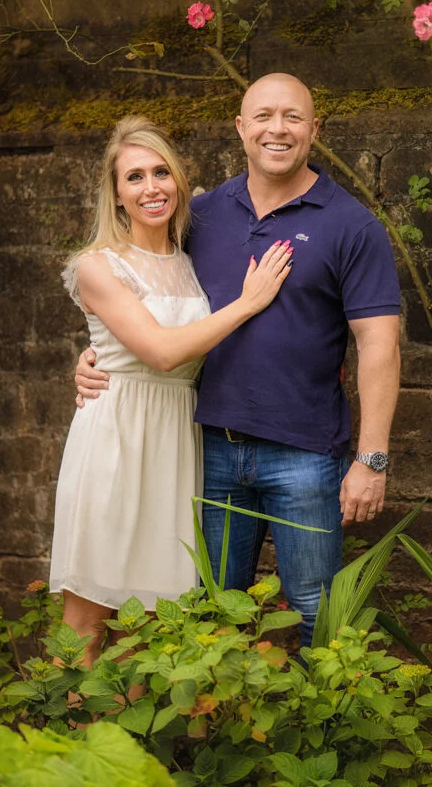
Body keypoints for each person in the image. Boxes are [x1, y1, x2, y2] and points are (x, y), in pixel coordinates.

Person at [75, 75, 401, 647]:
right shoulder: (197, 217)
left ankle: (320, 737)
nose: (278, 129)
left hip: (303, 454)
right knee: (210, 621)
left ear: (314, 130)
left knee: (314, 616)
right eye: (264, 116)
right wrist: (97, 359)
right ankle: (216, 738)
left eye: (293, 118)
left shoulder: (353, 225)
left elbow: (379, 343)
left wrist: (371, 460)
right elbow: (146, 300)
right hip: (210, 452)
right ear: (241, 127)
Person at [51, 115, 292, 665]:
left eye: (161, 172)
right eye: (134, 177)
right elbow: (159, 352)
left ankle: (139, 748)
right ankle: (67, 748)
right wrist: (249, 302)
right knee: (88, 619)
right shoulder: (98, 265)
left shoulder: (191, 258)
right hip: (115, 438)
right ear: (115, 195)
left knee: (156, 624)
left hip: (176, 439)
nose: (150, 186)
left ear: (180, 182)